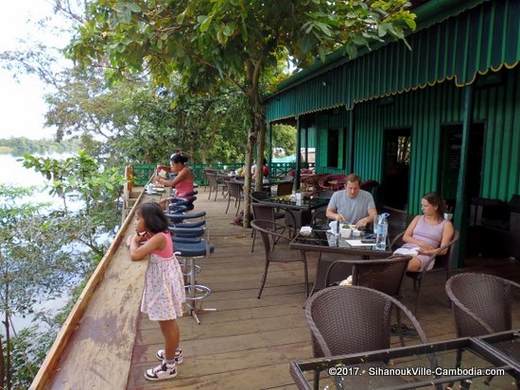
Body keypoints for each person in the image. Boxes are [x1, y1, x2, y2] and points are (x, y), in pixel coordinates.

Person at [128, 202, 186, 381]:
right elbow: (147, 247)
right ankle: (175, 352)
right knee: (169, 323)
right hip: (164, 283)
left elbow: (135, 255)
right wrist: (141, 239)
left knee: (167, 325)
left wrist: (132, 241)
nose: (136, 222)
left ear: (149, 221)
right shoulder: (160, 234)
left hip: (162, 287)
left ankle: (169, 367)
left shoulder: (158, 238)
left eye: (139, 219)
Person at [394, 192, 454, 272]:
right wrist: (421, 243)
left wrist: (428, 251)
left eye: (425, 206)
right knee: (392, 263)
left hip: (425, 254)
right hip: (407, 249)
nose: (422, 208)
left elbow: (443, 250)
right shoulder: (418, 218)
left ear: (435, 207)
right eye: (422, 205)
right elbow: (405, 237)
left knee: (402, 265)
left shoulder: (446, 225)